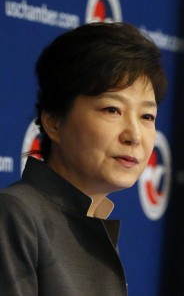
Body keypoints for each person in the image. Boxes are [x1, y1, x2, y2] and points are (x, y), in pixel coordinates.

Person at [0, 22, 166, 296]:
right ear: (53, 122)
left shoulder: (92, 224)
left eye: (147, 116)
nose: (134, 135)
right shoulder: (16, 215)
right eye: (112, 109)